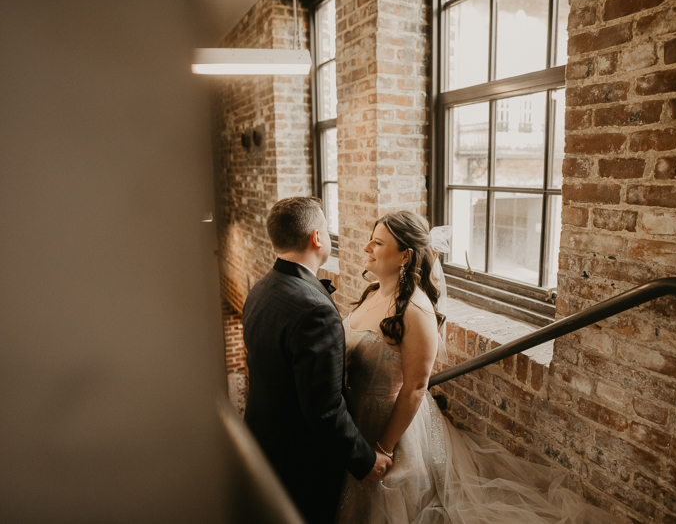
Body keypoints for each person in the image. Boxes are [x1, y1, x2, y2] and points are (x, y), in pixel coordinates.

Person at [336, 210, 618, 524]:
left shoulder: (415, 310)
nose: (366, 248)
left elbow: (416, 387)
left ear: (405, 255)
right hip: (355, 415)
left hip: (390, 428)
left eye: (376, 243)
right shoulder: (372, 294)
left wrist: (384, 447)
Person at [242, 197, 392, 524]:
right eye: (326, 226)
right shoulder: (315, 309)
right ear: (317, 237)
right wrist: (366, 460)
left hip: (262, 436)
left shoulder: (262, 287)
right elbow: (324, 409)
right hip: (300, 457)